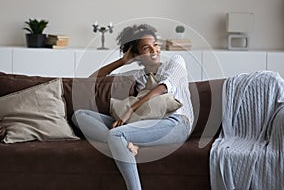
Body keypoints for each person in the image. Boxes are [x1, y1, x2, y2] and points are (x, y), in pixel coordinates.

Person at [72, 24, 194, 190]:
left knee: (116, 135)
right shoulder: (137, 77)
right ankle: (124, 142)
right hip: (143, 125)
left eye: (155, 44)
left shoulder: (175, 62)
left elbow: (163, 88)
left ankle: (124, 150)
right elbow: (91, 80)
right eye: (146, 48)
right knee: (78, 115)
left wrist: (130, 110)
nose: (154, 50)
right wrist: (122, 61)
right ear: (136, 55)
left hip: (176, 123)